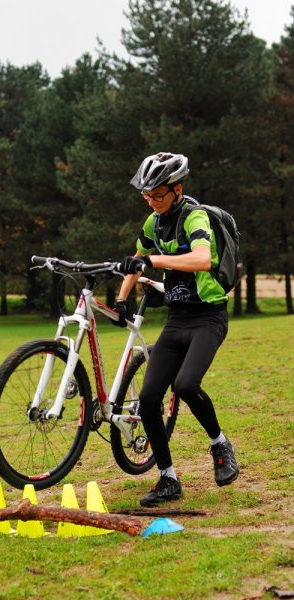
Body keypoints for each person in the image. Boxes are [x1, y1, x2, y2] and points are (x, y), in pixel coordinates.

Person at [115, 152, 239, 507]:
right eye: (146, 195)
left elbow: (201, 258)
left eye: (157, 194)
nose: (151, 201)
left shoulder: (194, 217)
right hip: (177, 319)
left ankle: (219, 443)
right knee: (149, 398)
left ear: (177, 190)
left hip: (208, 318)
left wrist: (153, 260)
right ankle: (168, 477)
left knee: (186, 385)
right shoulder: (153, 223)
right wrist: (123, 296)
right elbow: (136, 259)